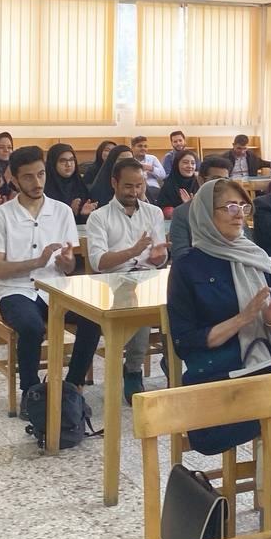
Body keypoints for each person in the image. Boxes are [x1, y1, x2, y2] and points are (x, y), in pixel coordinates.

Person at [167, 178, 271, 539]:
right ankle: (270, 528)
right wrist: (243, 318)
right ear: (205, 215)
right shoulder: (188, 266)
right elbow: (185, 343)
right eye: (229, 207)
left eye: (243, 206)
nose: (239, 214)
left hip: (269, 373)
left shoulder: (257, 257)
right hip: (219, 383)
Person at [0, 146, 101, 413]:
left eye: (40, 174)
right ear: (14, 180)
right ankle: (31, 391)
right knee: (31, 327)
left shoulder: (61, 211)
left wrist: (67, 262)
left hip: (55, 288)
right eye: (28, 177)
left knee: (93, 319)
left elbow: (69, 266)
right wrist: (36, 262)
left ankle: (72, 386)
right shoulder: (1, 215)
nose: (37, 182)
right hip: (14, 290)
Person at [86, 157, 170, 403]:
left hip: (149, 276)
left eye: (139, 186)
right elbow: (98, 262)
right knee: (138, 303)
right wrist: (134, 251)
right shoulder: (99, 217)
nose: (134, 192)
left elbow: (159, 256)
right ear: (114, 183)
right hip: (114, 281)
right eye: (128, 186)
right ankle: (133, 369)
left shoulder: (153, 212)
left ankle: (173, 362)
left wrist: (159, 257)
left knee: (179, 302)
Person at [170, 157, 237, 258]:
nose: (221, 184)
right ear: (201, 180)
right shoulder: (182, 213)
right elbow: (180, 253)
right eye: (216, 179)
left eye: (225, 180)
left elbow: (247, 245)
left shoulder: (234, 209)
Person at [44, 143, 98, 224]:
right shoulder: (45, 190)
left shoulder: (79, 185)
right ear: (53, 163)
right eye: (63, 161)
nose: (68, 164)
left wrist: (84, 215)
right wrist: (69, 211)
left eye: (71, 160)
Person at [88, 144, 135, 208]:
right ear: (112, 162)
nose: (127, 164)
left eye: (130, 160)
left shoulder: (138, 182)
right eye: (121, 160)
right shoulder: (100, 187)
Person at [158, 150, 200, 218]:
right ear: (177, 164)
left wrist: (191, 206)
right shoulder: (169, 184)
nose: (190, 166)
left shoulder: (199, 183)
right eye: (185, 162)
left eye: (193, 163)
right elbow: (163, 210)